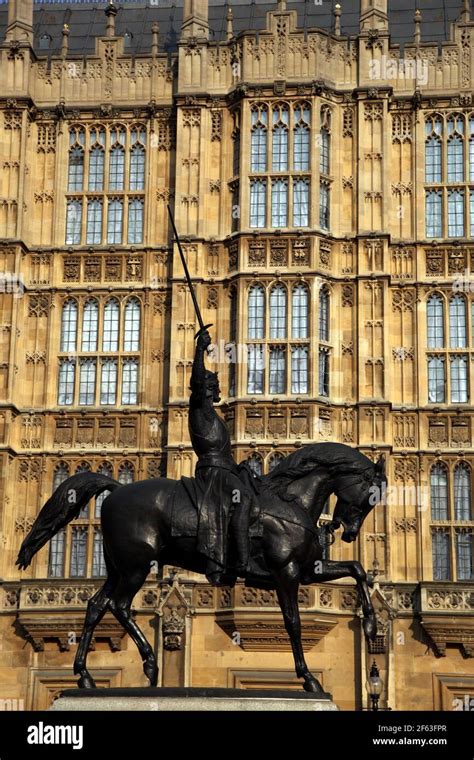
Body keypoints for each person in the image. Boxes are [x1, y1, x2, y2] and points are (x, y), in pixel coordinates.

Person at [188, 327, 252, 585]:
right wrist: (200, 350)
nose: (218, 392)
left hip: (225, 470)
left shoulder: (214, 416)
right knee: (244, 499)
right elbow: (197, 380)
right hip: (212, 474)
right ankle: (241, 561)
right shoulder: (200, 410)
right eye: (214, 387)